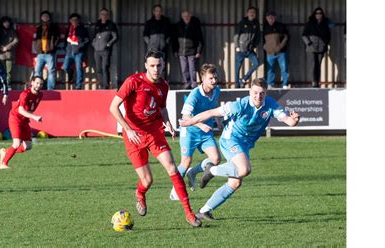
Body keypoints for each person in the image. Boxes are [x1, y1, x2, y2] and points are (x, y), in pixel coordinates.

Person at [179, 78, 300, 221]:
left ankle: (204, 211)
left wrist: (294, 120)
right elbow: (211, 112)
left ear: (266, 93)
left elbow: (288, 121)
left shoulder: (270, 105)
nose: (258, 96)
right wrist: (189, 122)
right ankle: (211, 170)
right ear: (250, 91)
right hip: (231, 139)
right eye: (255, 93)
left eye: (262, 93)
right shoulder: (239, 105)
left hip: (244, 144)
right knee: (244, 169)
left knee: (235, 182)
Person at [109, 50, 202, 227]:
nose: (156, 69)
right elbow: (113, 107)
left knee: (172, 168)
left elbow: (162, 108)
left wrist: (167, 123)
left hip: (154, 133)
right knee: (147, 180)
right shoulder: (133, 82)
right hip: (134, 136)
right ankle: (140, 194)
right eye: (152, 65)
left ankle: (189, 214)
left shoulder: (163, 86)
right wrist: (128, 130)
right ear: (145, 66)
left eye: (159, 65)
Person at [169, 64, 222, 201]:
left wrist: (218, 120)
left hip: (205, 133)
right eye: (211, 78)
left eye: (215, 77)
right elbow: (186, 117)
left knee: (216, 159)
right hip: (190, 132)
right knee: (185, 162)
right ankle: (175, 189)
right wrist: (200, 125)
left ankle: (192, 173)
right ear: (202, 79)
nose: (214, 81)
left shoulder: (216, 90)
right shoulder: (195, 95)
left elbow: (215, 105)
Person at [0, 76, 44, 169]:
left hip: (24, 120)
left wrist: (31, 116)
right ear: (32, 83)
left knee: (28, 146)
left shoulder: (40, 95)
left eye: (41, 84)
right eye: (37, 83)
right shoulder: (25, 94)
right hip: (15, 118)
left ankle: (5, 152)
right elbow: (21, 110)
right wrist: (35, 117)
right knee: (16, 143)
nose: (39, 85)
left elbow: (30, 109)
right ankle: (3, 164)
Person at [172, 10, 204, 89]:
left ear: (190, 16)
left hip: (192, 51)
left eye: (187, 16)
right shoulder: (178, 26)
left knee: (192, 69)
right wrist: (175, 50)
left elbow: (200, 39)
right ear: (182, 17)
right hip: (181, 52)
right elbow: (174, 39)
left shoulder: (194, 26)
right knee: (184, 69)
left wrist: (198, 51)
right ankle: (187, 83)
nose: (186, 18)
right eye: (184, 16)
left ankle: (193, 84)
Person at [302, 7, 331, 88]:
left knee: (318, 65)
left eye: (320, 13)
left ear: (322, 14)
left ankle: (317, 82)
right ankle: (313, 82)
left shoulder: (325, 24)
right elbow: (304, 35)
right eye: (317, 13)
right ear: (314, 14)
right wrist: (309, 43)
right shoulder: (309, 23)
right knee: (313, 65)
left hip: (321, 48)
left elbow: (328, 36)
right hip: (311, 48)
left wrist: (325, 43)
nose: (318, 15)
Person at [234, 7, 261, 88]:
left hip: (250, 50)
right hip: (241, 49)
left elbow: (258, 36)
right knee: (237, 67)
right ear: (247, 14)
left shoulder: (256, 23)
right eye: (250, 12)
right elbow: (236, 35)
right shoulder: (242, 22)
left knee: (256, 63)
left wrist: (254, 45)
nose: (252, 14)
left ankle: (244, 79)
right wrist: (237, 46)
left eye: (254, 13)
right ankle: (237, 85)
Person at [92, 8, 118, 89]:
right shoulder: (97, 24)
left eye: (105, 14)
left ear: (108, 16)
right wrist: (94, 44)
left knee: (105, 68)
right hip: (97, 50)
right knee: (98, 69)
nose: (104, 16)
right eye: (102, 14)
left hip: (105, 50)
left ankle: (105, 86)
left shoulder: (111, 25)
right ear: (100, 15)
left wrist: (108, 44)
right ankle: (101, 85)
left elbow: (115, 37)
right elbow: (94, 36)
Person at [62, 13, 90, 90]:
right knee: (65, 67)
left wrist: (80, 46)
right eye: (72, 20)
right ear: (70, 21)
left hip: (78, 52)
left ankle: (78, 86)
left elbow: (87, 40)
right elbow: (65, 40)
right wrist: (66, 48)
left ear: (78, 21)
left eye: (76, 20)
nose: (74, 21)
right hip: (69, 52)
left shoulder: (83, 29)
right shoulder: (69, 29)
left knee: (79, 69)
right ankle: (71, 73)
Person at [263, 11, 290, 89]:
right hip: (269, 53)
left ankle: (285, 84)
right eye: (269, 17)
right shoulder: (264, 27)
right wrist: (265, 47)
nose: (271, 19)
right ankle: (270, 84)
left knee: (284, 68)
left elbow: (286, 37)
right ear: (266, 18)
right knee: (270, 69)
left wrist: (280, 46)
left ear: (275, 18)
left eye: (272, 17)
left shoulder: (281, 26)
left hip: (281, 52)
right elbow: (261, 39)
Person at [143, 4, 171, 78]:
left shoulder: (166, 21)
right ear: (153, 12)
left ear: (161, 12)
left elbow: (170, 33)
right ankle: (151, 81)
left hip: (163, 49)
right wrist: (150, 44)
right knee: (151, 65)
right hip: (152, 49)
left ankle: (161, 81)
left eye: (159, 11)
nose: (158, 12)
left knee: (162, 65)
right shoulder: (149, 22)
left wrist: (165, 43)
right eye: (156, 11)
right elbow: (145, 35)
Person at [34, 10, 60, 90]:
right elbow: (36, 39)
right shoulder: (39, 27)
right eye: (43, 16)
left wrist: (53, 47)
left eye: (47, 16)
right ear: (41, 18)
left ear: (49, 18)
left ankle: (50, 89)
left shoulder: (54, 27)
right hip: (40, 53)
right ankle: (37, 87)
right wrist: (37, 48)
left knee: (51, 72)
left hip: (50, 53)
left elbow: (58, 38)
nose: (45, 17)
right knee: (37, 71)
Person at [0, 16, 19, 89]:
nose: (6, 24)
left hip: (9, 55)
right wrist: (0, 47)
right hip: (0, 55)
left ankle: (7, 84)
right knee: (0, 70)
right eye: (5, 22)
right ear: (2, 23)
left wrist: (7, 47)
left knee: (8, 71)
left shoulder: (13, 31)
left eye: (8, 22)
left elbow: (16, 41)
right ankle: (1, 84)